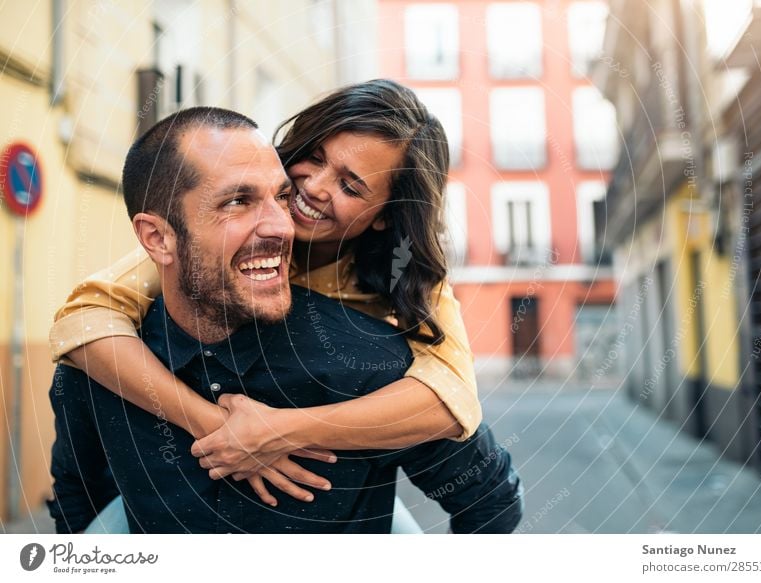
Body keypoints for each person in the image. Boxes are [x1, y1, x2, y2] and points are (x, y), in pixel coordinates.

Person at [48, 106, 523, 533]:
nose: (308, 193)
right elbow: (84, 318)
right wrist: (215, 424)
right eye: (313, 159)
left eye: (351, 186)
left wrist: (282, 430)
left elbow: (451, 405)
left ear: (383, 216)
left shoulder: (386, 335)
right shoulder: (104, 363)